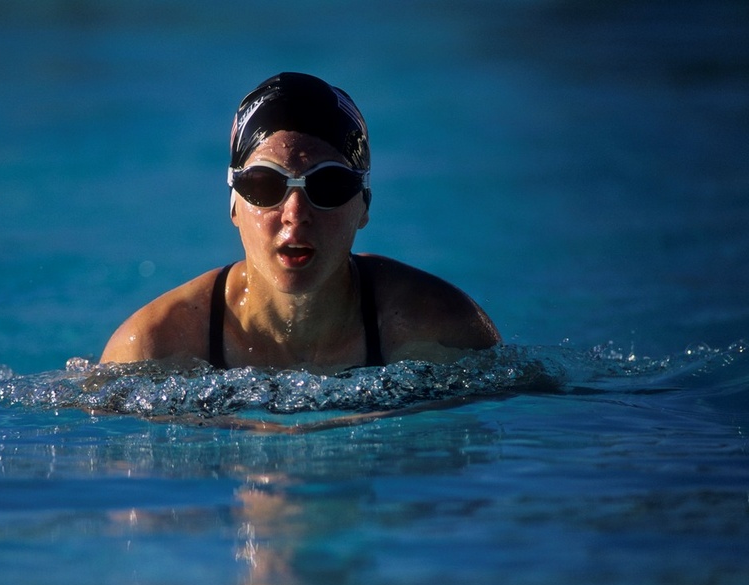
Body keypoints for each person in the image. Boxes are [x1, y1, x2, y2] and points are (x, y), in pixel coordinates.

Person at [100, 72, 500, 373]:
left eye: (327, 184)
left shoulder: (440, 330)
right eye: (265, 184)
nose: (295, 212)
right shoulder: (155, 348)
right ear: (234, 204)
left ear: (363, 205)